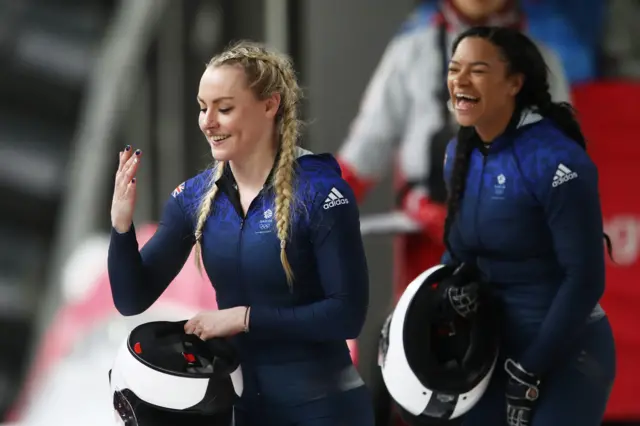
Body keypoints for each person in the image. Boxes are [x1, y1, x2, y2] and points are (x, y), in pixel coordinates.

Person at [107, 40, 374, 426]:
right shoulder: (195, 197)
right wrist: (121, 225)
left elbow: (347, 315)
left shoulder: (321, 193)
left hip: (325, 408)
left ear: (270, 105)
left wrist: (244, 319)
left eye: (224, 108)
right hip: (242, 410)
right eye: (202, 107)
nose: (207, 121)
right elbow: (131, 298)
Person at [336, 0, 570, 302]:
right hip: (426, 249)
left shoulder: (542, 64)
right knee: (420, 337)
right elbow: (361, 157)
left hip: (511, 253)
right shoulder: (411, 54)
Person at [440, 26, 616, 426]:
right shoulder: (457, 154)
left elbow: (586, 279)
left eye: (478, 70)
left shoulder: (556, 160)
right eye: (454, 69)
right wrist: (446, 295)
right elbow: (456, 256)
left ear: (514, 83)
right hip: (491, 352)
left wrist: (531, 368)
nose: (460, 81)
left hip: (568, 354)